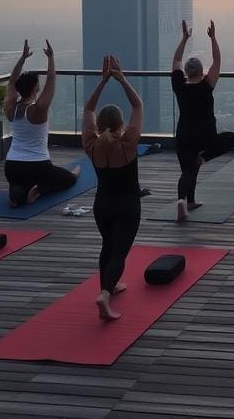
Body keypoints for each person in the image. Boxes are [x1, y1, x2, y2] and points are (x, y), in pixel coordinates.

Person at [82, 55, 143, 321]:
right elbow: (137, 105)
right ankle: (105, 295)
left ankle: (107, 286)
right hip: (127, 206)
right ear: (121, 125)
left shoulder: (91, 145)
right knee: (119, 253)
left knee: (107, 246)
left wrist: (102, 81)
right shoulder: (128, 143)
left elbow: (87, 109)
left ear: (99, 126)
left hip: (102, 206)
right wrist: (120, 79)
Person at [171, 20, 234, 220]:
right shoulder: (207, 84)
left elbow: (176, 60)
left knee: (187, 171)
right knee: (231, 138)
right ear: (201, 72)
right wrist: (213, 38)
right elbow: (217, 61)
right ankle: (202, 162)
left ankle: (184, 202)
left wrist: (184, 38)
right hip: (206, 137)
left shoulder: (179, 85)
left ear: (186, 72)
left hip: (184, 135)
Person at [3, 39, 79, 207]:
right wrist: (51, 58)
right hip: (38, 166)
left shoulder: (10, 108)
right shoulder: (38, 110)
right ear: (36, 87)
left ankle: (18, 193)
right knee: (70, 179)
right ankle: (39, 190)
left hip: (12, 167)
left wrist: (22, 58)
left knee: (20, 183)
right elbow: (51, 80)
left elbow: (11, 81)